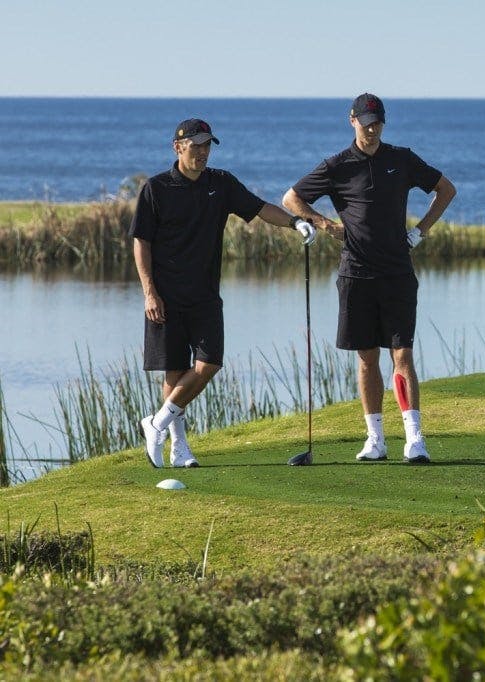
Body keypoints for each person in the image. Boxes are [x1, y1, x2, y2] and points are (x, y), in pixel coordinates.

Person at [130, 118, 317, 468]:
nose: (202, 152)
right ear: (178, 147)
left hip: (204, 296)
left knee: (209, 363)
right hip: (166, 297)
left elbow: (261, 208)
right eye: (195, 145)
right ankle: (179, 447)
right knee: (174, 370)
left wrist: (295, 222)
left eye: (206, 146)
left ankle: (155, 423)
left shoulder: (221, 184)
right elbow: (141, 242)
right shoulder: (155, 189)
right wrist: (149, 292)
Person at [283, 94, 456, 464]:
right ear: (352, 121)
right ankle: (375, 439)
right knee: (366, 359)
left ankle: (415, 439)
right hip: (356, 274)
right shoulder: (337, 166)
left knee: (402, 355)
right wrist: (324, 224)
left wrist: (420, 231)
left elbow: (446, 190)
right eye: (365, 122)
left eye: (377, 122)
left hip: (397, 272)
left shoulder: (401, 159)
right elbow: (291, 199)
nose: (372, 128)